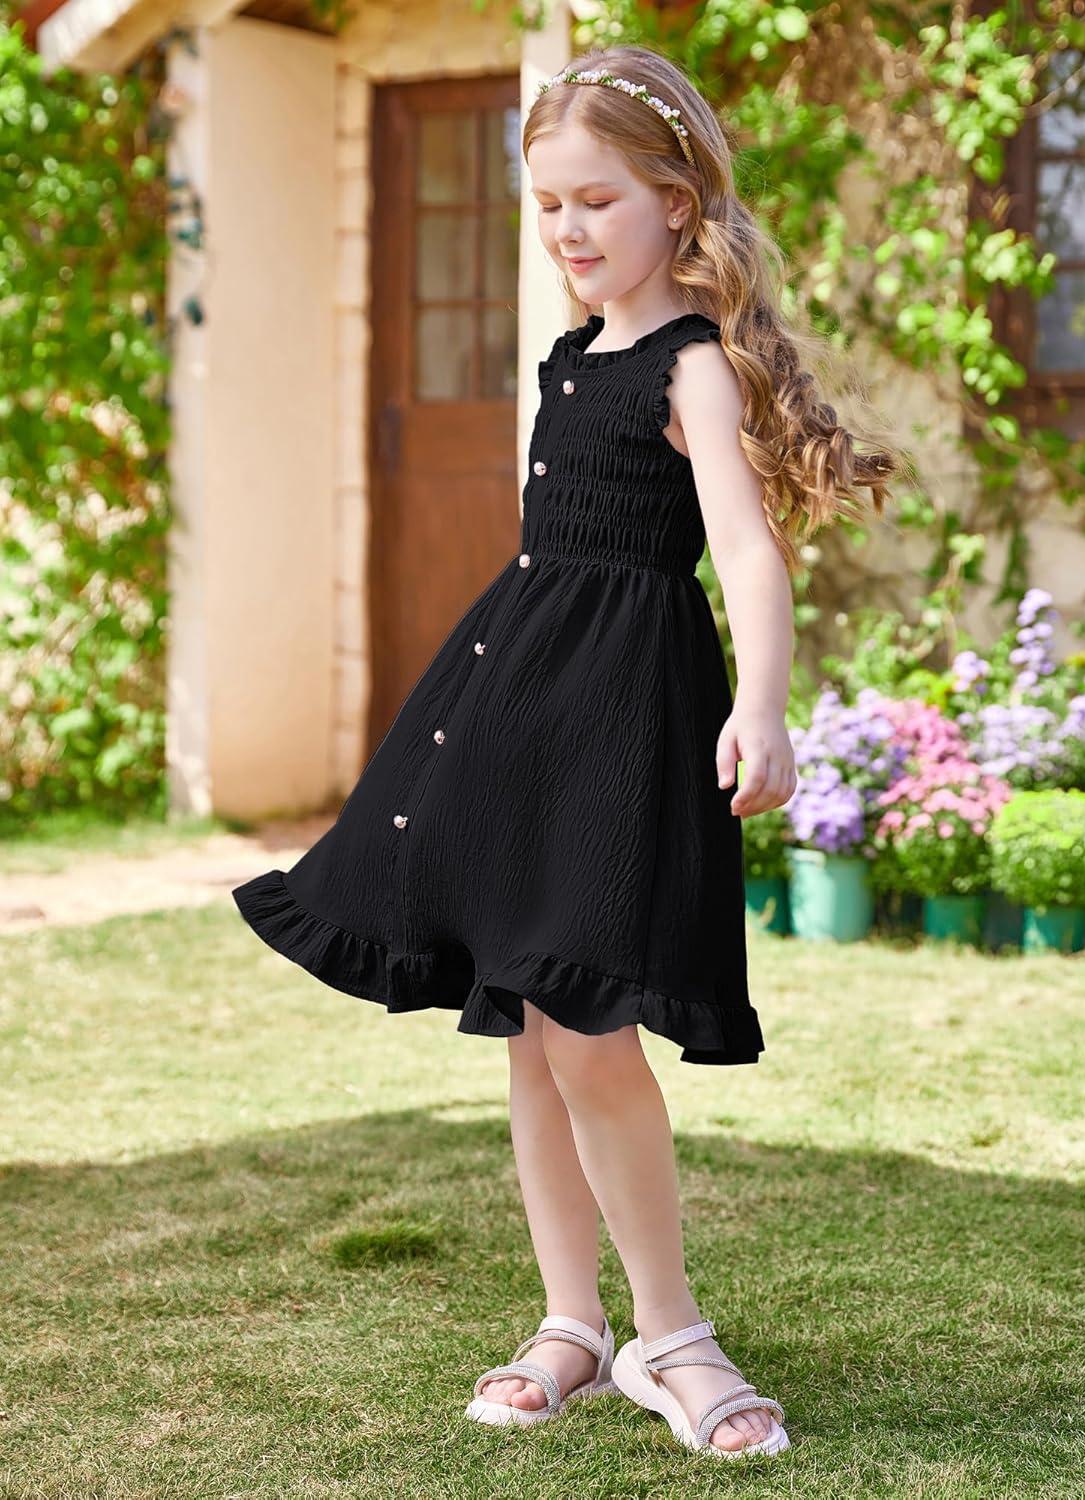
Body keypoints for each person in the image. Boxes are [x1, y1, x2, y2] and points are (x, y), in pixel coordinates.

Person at [233, 42, 903, 1460]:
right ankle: (570, 1325)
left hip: (625, 719)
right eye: (547, 205)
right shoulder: (567, 359)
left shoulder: (692, 366)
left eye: (596, 200)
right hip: (521, 708)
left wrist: (765, 703)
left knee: (591, 1035)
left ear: (676, 202)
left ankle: (674, 1336)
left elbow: (747, 553)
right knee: (529, 1032)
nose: (567, 230)